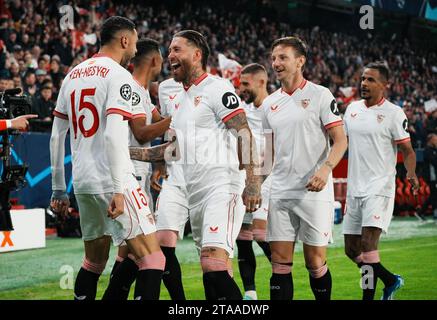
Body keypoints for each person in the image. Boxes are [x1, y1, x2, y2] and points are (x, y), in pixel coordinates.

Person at [50, 16, 166, 301]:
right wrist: (118, 188)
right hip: (114, 180)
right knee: (153, 260)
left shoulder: (72, 75)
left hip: (84, 182)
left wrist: (58, 188)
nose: (135, 50)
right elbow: (115, 135)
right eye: (135, 42)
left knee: (94, 262)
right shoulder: (118, 76)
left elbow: (57, 137)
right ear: (124, 40)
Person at [160, 30, 262, 300]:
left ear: (197, 55)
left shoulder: (217, 88)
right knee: (213, 275)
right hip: (195, 193)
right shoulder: (181, 100)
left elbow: (244, 132)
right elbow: (171, 150)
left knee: (213, 265)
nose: (170, 55)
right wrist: (125, 153)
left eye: (177, 49)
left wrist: (253, 182)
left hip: (222, 186)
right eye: (169, 50)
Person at [261, 36, 347, 300]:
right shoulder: (269, 104)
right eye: (274, 58)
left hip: (314, 192)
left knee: (315, 262)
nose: (276, 63)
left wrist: (325, 170)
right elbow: (268, 153)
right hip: (281, 191)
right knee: (279, 262)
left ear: (300, 61)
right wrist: (254, 184)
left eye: (283, 57)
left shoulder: (320, 95)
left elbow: (341, 140)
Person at [342, 61, 419, 300]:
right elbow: (340, 141)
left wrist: (411, 173)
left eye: (371, 80)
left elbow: (407, 150)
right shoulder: (351, 109)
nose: (364, 83)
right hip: (354, 188)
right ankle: (390, 280)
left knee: (368, 245)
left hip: (380, 187)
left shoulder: (394, 113)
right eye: (363, 78)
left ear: (385, 85)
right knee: (352, 250)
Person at [102, 38, 171, 300]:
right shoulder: (130, 87)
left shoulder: (141, 91)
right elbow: (142, 132)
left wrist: (160, 161)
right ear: (155, 60)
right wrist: (178, 118)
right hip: (130, 175)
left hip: (138, 174)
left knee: (129, 254)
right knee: (148, 256)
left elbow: (159, 121)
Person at [236, 63, 272, 300]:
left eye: (246, 84)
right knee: (243, 237)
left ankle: (282, 267)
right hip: (247, 177)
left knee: (259, 234)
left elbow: (273, 151)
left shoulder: (274, 107)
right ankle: (250, 294)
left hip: (270, 176)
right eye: (240, 85)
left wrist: (257, 182)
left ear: (261, 82)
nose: (241, 90)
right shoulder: (242, 109)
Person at [421, 133, 437, 221]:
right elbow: (434, 162)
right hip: (431, 176)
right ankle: (433, 212)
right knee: (434, 194)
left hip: (434, 176)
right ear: (431, 140)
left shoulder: (433, 150)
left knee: (433, 194)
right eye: (435, 139)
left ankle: (421, 212)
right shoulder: (427, 150)